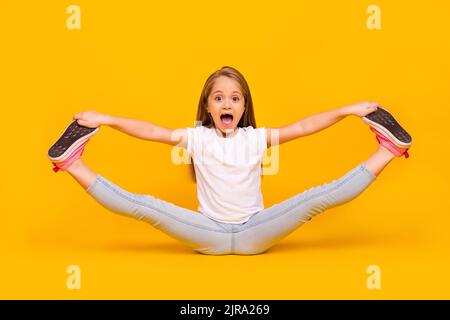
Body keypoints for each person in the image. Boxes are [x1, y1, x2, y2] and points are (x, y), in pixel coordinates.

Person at [47, 66, 412, 255]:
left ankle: (389, 149)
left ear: (243, 107)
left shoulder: (256, 138)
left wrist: (348, 110)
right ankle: (73, 162)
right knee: (147, 207)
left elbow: (303, 127)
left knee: (316, 198)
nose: (227, 104)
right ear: (207, 106)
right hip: (208, 233)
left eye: (235, 98)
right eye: (218, 98)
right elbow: (152, 131)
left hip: (257, 230)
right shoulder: (197, 137)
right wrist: (106, 120)